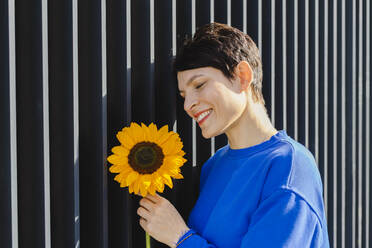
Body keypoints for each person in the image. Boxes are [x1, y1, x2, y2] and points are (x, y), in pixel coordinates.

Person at [136, 22, 330, 248]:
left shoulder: (289, 167)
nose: (188, 105)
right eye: (183, 95)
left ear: (242, 76)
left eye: (198, 85)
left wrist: (180, 237)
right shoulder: (214, 166)